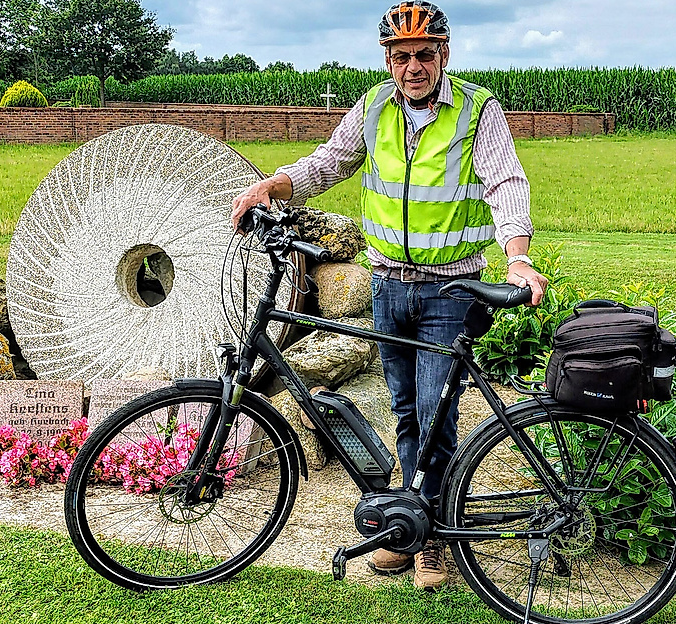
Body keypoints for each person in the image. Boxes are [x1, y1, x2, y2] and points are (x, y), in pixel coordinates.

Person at [230, 0, 549, 591]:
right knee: (406, 411)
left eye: (424, 54)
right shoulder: (375, 105)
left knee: (435, 416)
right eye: (401, 56)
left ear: (444, 54)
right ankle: (411, 522)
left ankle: (436, 539)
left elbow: (506, 182)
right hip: (387, 285)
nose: (413, 66)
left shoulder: (477, 109)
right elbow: (331, 162)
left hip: (450, 288)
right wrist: (271, 185)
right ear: (387, 60)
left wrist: (518, 257)